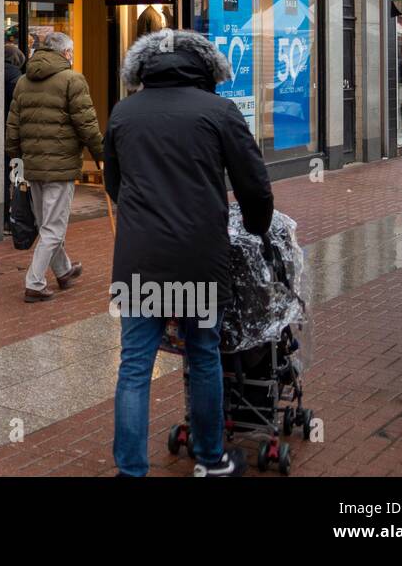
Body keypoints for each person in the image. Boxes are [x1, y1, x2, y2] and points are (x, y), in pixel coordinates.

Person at [104, 29, 274, 477]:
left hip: (140, 256)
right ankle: (210, 457)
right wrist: (258, 229)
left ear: (143, 69)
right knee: (204, 354)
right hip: (199, 255)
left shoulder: (124, 113)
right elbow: (253, 184)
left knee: (135, 364)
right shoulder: (219, 111)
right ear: (206, 69)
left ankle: (130, 469)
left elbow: (113, 185)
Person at [5, 31, 104, 301]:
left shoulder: (24, 81)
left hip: (32, 164)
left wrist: (15, 157)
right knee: (52, 227)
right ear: (66, 53)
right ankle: (34, 283)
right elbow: (86, 124)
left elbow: (13, 125)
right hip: (59, 166)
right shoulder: (73, 79)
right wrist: (101, 154)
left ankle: (63, 271)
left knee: (46, 223)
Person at [3, 43, 26, 234]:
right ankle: (17, 216)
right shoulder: (18, 80)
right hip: (16, 137)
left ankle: (3, 217)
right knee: (18, 177)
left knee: (3, 176)